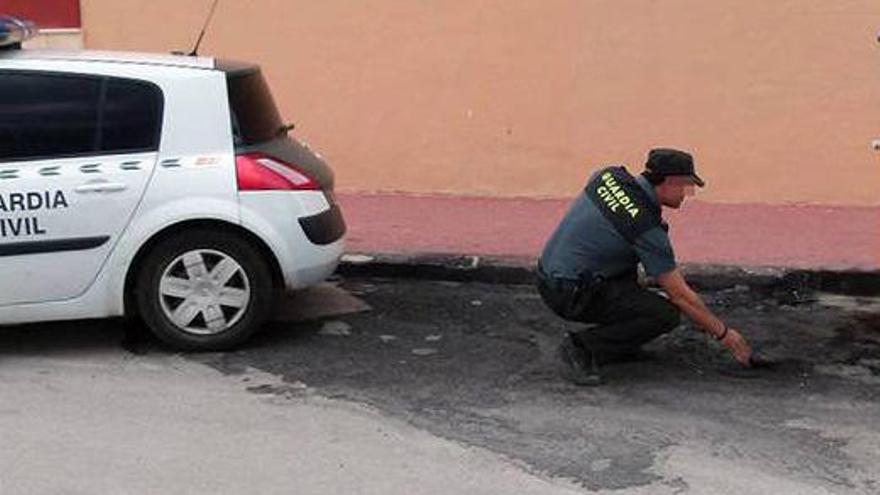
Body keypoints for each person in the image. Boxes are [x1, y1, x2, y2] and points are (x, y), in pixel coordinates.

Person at [536, 148, 752, 385]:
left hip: (548, 274)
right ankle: (580, 348)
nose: (686, 194)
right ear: (668, 181)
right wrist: (724, 333)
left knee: (630, 264)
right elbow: (681, 296)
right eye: (685, 186)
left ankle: (620, 344)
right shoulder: (646, 228)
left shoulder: (608, 177)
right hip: (569, 293)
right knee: (664, 314)